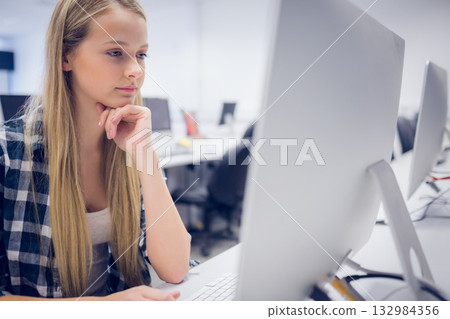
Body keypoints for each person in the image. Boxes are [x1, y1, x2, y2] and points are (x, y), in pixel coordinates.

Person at [0, 0, 193, 300]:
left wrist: (145, 156)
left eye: (141, 54)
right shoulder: (8, 153)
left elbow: (175, 269)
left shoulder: (128, 147)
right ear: (66, 56)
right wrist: (101, 306)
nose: (135, 71)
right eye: (115, 52)